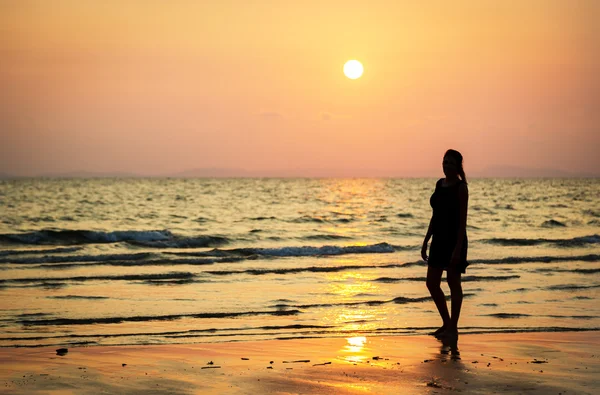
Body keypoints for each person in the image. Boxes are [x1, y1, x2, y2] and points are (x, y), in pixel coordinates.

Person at [421, 149, 469, 338]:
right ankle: (447, 323)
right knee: (432, 283)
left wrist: (457, 249)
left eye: (450, 163)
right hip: (438, 240)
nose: (446, 165)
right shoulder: (439, 184)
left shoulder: (461, 188)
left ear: (458, 166)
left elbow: (462, 221)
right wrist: (426, 240)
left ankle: (453, 328)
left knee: (453, 283)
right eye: (444, 161)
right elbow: (435, 215)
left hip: (454, 240)